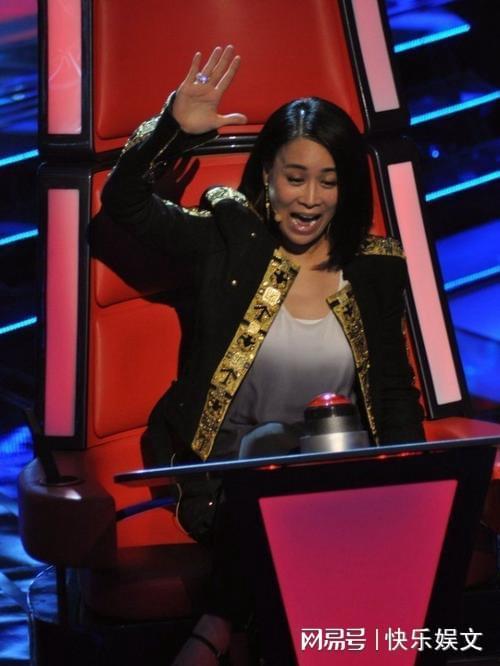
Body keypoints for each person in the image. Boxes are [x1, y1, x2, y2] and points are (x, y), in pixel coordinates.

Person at [100, 45, 425, 665]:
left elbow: (391, 391)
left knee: (331, 486)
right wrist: (171, 128)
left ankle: (217, 626)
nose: (310, 199)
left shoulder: (375, 267)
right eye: (295, 177)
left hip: (339, 473)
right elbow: (125, 205)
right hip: (227, 475)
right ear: (268, 177)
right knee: (277, 450)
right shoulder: (228, 238)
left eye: (329, 180)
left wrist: (410, 489)